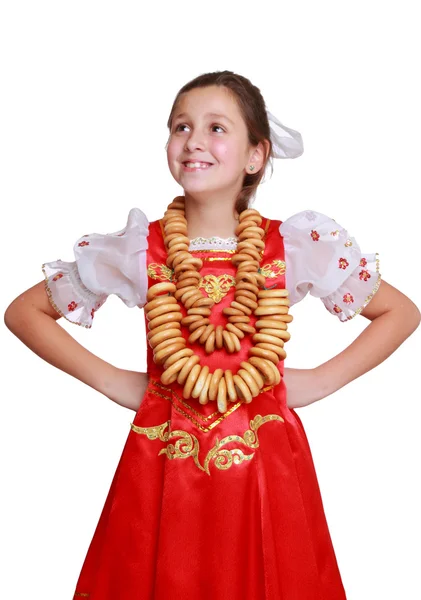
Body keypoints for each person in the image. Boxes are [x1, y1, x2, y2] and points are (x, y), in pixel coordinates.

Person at [4, 70, 420, 600]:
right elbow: (24, 312)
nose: (194, 140)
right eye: (181, 126)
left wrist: (317, 380)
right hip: (161, 461)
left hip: (264, 465)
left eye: (216, 128)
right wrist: (116, 382)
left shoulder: (290, 245)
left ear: (255, 156)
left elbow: (400, 312)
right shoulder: (141, 248)